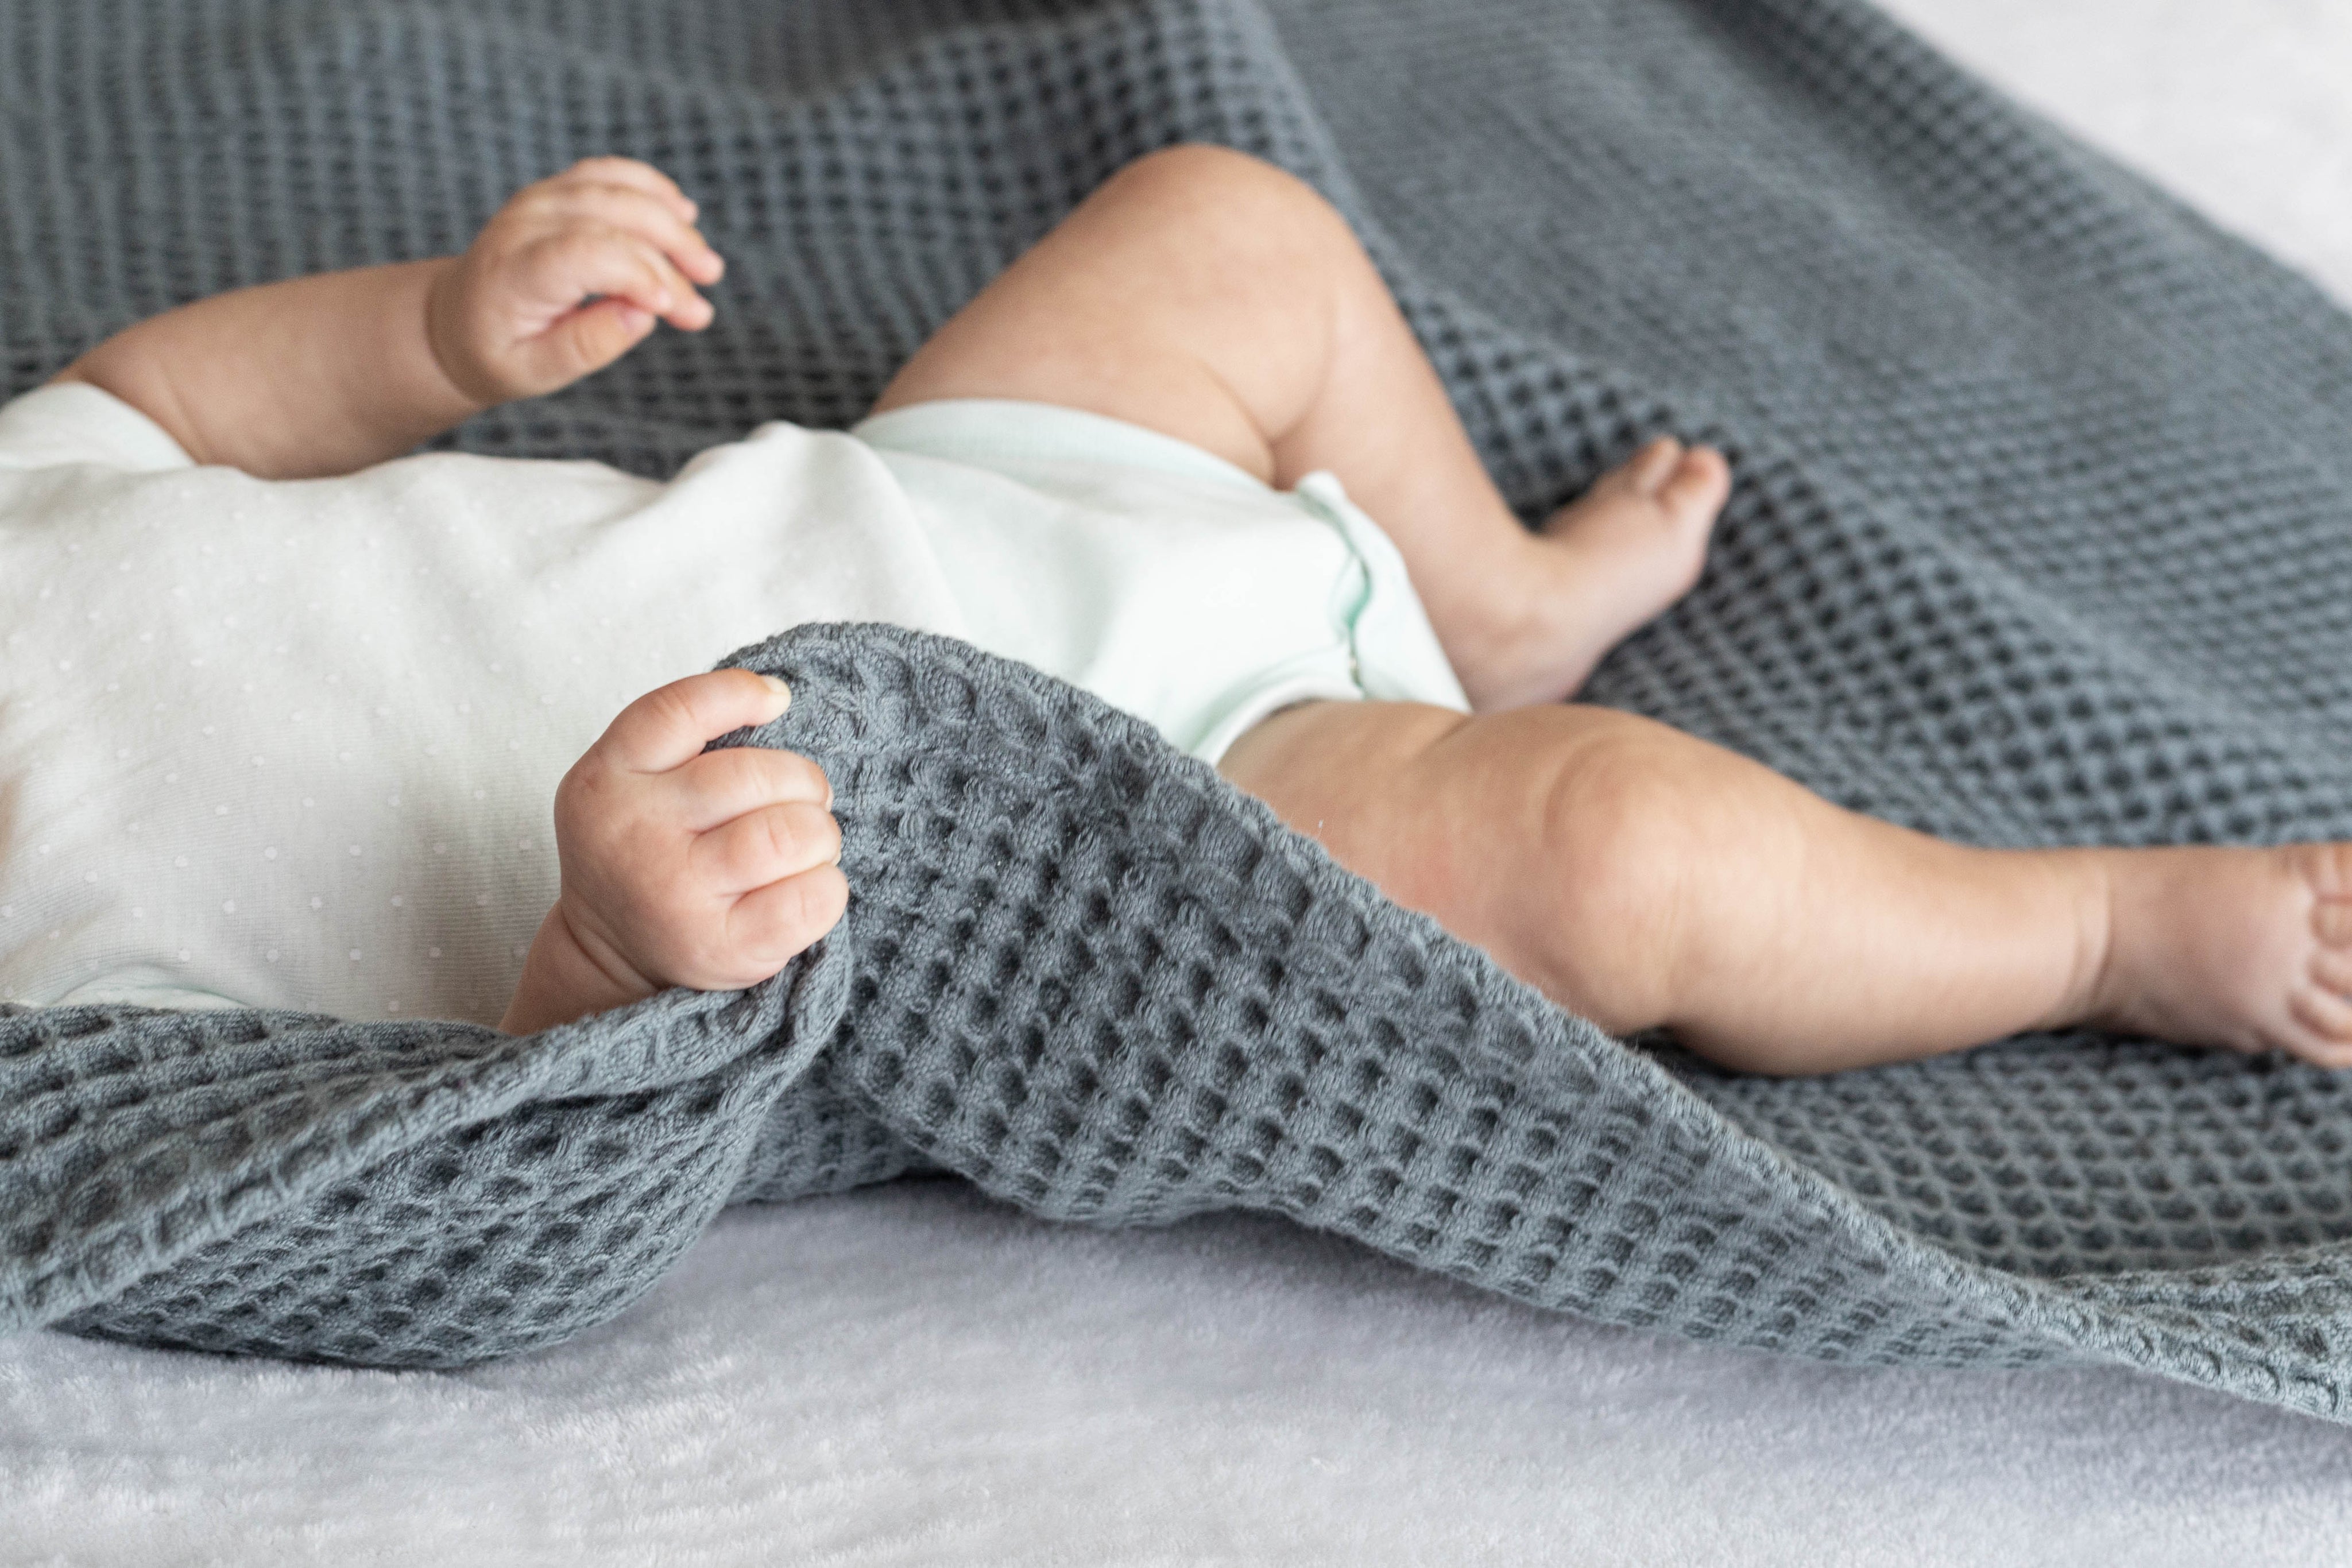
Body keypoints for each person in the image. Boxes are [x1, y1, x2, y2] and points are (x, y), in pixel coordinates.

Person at [6, 148, 2349, 1073]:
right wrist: (605, 962)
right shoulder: (57, 982)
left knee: (1225, 228)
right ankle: (2099, 928)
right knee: (1618, 855)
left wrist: (436, 331)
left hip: (955, 491)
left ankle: (1496, 601)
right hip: (1084, 812)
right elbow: (409, 1179)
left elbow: (165, 402)